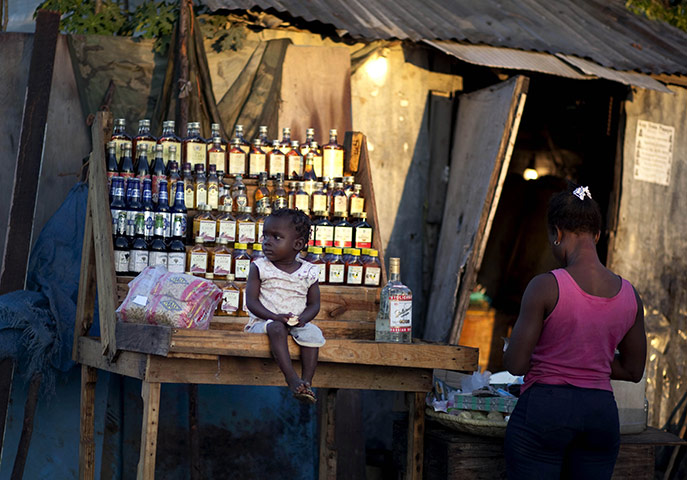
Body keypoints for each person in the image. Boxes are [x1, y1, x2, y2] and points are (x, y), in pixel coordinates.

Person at [503, 184, 646, 479]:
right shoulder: (630, 296)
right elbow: (634, 370)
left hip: (545, 411)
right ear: (597, 235)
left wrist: (554, 361)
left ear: (556, 233)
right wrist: (589, 363)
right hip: (600, 415)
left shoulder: (545, 286)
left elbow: (515, 363)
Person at [245, 208, 324, 404]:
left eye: (276, 237)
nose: (267, 242)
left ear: (297, 244)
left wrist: (304, 319)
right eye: (265, 236)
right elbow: (252, 302)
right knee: (277, 327)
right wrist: (274, 316)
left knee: (313, 334)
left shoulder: (308, 271)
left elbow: (314, 304)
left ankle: (306, 381)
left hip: (296, 323)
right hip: (263, 323)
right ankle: (291, 378)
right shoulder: (259, 267)